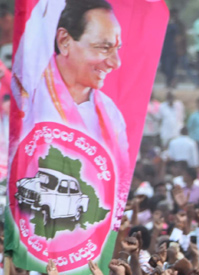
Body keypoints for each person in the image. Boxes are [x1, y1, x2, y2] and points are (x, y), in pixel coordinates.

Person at [10, 0, 131, 212]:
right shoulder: (30, 95)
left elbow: (120, 183)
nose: (115, 62)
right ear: (65, 41)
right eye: (103, 48)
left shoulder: (111, 115)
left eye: (116, 49)